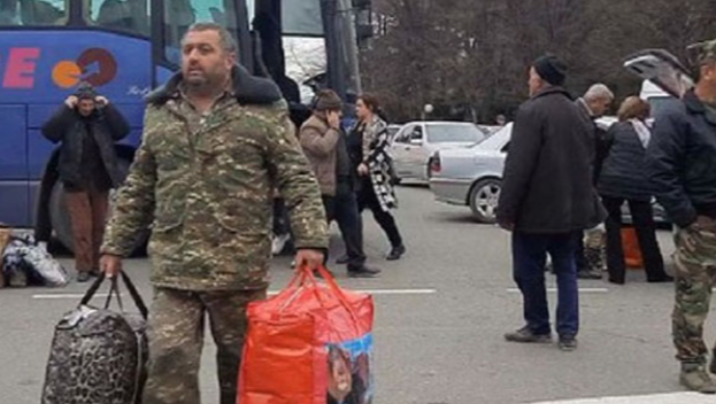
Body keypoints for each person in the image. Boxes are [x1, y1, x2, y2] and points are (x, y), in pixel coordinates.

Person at [99, 23, 328, 404]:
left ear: (229, 59)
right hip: (175, 267)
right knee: (168, 361)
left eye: (205, 50)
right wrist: (115, 244)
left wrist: (311, 239)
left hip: (238, 267)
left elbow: (296, 177)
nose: (193, 57)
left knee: (243, 369)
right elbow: (140, 182)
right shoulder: (161, 109)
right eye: (188, 49)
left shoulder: (262, 108)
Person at [497, 54, 605, 352]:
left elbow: (519, 166)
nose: (528, 81)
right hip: (571, 208)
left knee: (527, 270)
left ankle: (538, 324)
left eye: (531, 76)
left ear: (540, 79)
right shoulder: (578, 113)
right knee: (566, 269)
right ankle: (568, 331)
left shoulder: (531, 112)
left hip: (536, 209)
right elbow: (589, 160)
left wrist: (506, 210)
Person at [645, 38, 716, 394]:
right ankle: (691, 364)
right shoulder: (679, 116)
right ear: (709, 71)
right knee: (693, 300)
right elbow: (659, 172)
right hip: (700, 225)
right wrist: (687, 217)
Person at [41, 83, 129, 283]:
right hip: (76, 180)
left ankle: (96, 266)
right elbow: (49, 132)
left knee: (99, 227)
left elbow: (122, 130)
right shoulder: (69, 120)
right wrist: (65, 108)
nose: (87, 108)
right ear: (77, 104)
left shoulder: (102, 120)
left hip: (100, 180)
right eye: (83, 105)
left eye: (90, 105)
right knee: (81, 227)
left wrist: (108, 106)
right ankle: (83, 267)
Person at [299, 89, 380, 277]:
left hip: (344, 183)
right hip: (323, 185)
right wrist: (334, 129)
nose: (341, 114)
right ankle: (318, 267)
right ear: (327, 111)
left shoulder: (337, 126)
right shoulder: (310, 127)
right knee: (320, 230)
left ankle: (356, 262)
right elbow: (322, 148)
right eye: (337, 111)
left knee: (353, 224)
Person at [598, 96, 672, 285]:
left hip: (612, 182)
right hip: (640, 184)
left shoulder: (616, 128)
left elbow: (603, 152)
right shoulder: (650, 131)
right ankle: (655, 272)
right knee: (645, 228)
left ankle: (617, 273)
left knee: (613, 228)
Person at [348, 94, 406, 261]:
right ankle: (353, 250)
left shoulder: (380, 126)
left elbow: (382, 149)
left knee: (381, 214)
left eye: (360, 106)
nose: (356, 109)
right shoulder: (357, 125)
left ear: (370, 107)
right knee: (352, 215)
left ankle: (397, 244)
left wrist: (367, 164)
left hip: (374, 178)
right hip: (356, 177)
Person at [574, 84, 615, 280]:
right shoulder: (579, 117)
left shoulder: (579, 114)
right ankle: (576, 262)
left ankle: (567, 259)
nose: (605, 110)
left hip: (577, 176)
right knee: (576, 222)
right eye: (605, 105)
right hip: (577, 177)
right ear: (595, 101)